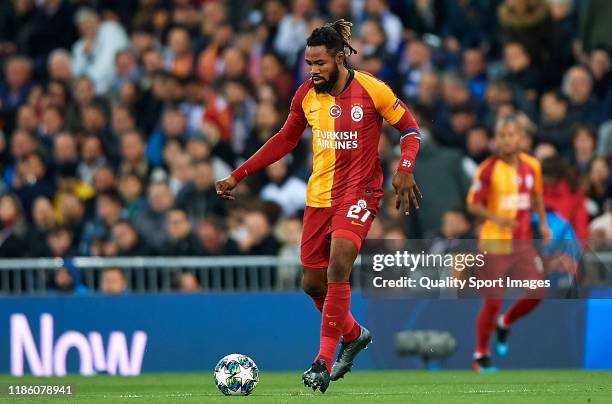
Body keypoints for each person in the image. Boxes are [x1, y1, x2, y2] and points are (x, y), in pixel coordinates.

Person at [215, 19, 422, 392]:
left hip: (360, 192)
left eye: (320, 64)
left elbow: (409, 129)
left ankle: (321, 362)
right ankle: (354, 334)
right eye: (309, 64)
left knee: (339, 262)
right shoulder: (305, 96)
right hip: (319, 198)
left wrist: (404, 168)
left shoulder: (371, 89)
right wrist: (238, 174)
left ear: (339, 58)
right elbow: (284, 140)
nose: (313, 71)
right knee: (313, 283)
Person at [467, 114, 551, 372]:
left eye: (511, 135)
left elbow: (536, 197)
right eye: (501, 136)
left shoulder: (532, 166)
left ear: (520, 138)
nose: (506, 140)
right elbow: (472, 203)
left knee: (537, 293)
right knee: (493, 299)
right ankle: (481, 354)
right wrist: (496, 218)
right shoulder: (488, 168)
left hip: (522, 242)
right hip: (494, 241)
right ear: (496, 140)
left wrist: (544, 224)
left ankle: (505, 322)